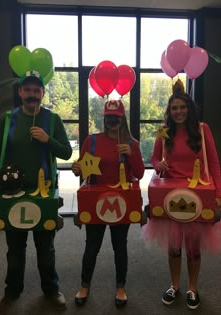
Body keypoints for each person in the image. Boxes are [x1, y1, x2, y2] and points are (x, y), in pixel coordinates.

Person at [0, 71, 72, 313]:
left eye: (37, 90)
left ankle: (51, 290)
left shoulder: (52, 120)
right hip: (12, 193)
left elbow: (66, 152)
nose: (32, 94)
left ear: (42, 94)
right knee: (15, 249)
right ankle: (12, 291)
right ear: (20, 92)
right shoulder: (6, 119)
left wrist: (47, 139)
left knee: (46, 248)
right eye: (28, 90)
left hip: (44, 194)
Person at [143, 79, 221, 310]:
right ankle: (175, 285)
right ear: (170, 111)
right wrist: (159, 166)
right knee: (174, 247)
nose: (179, 112)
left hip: (197, 195)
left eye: (182, 107)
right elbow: (155, 158)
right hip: (171, 194)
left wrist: (219, 193)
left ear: (189, 109)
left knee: (193, 249)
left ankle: (193, 288)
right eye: (174, 108)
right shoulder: (164, 132)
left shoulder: (202, 129)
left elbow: (214, 163)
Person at [72, 99, 145, 307]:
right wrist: (77, 169)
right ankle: (84, 285)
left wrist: (131, 155)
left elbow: (139, 174)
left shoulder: (132, 144)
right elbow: (83, 169)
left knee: (120, 247)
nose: (113, 121)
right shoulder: (92, 141)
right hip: (96, 201)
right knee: (91, 247)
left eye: (116, 118)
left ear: (123, 120)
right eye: (109, 118)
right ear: (104, 118)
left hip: (121, 202)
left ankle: (120, 287)